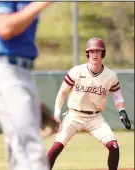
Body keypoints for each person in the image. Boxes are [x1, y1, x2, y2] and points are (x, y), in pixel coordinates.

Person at [0, 2, 53, 170]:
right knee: (32, 155)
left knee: (20, 157)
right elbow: (4, 27)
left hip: (21, 74)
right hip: (4, 70)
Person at [47, 37, 131, 170]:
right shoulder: (77, 71)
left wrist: (122, 112)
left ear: (103, 54)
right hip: (74, 116)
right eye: (91, 51)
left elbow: (118, 97)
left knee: (113, 146)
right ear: (87, 54)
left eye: (98, 51)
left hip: (95, 118)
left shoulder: (110, 76)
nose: (95, 54)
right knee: (56, 147)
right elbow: (62, 92)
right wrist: (57, 115)